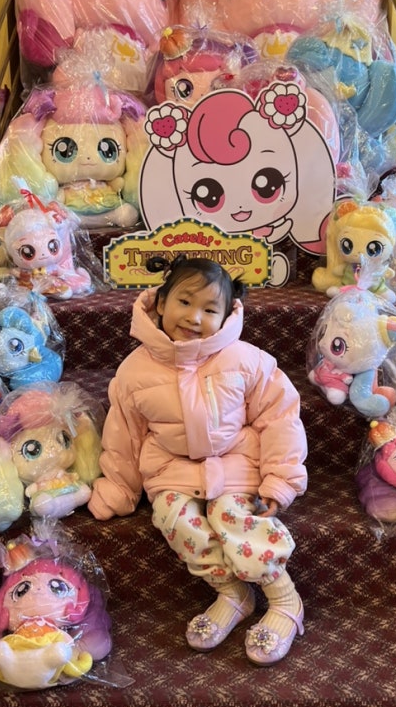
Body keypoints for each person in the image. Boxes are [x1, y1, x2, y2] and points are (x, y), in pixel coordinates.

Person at [88, 255, 308, 665]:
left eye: (209, 309)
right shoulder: (134, 371)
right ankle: (233, 592)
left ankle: (283, 598)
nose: (194, 317)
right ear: (160, 302)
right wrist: (119, 488)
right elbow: (124, 435)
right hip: (172, 469)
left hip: (236, 464)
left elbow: (280, 418)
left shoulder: (246, 359)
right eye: (185, 302)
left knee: (230, 515)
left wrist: (280, 479)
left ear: (226, 316)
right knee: (173, 517)